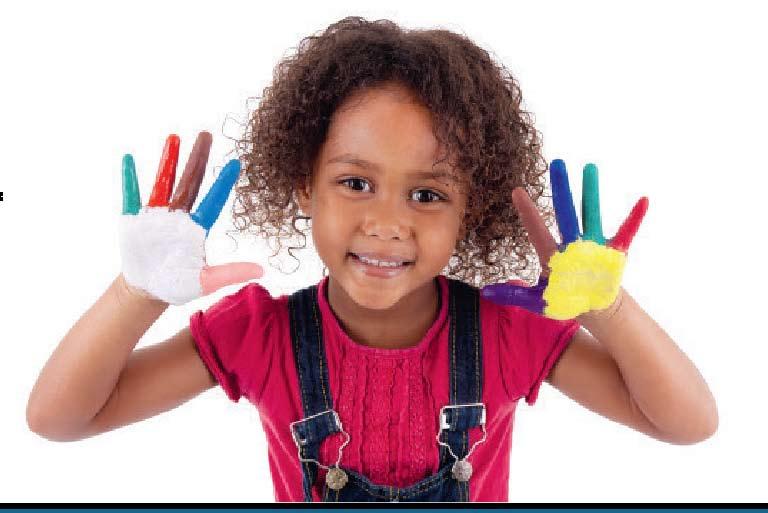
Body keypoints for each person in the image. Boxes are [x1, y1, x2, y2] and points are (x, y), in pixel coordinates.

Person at [26, 16, 718, 502]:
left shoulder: (507, 332)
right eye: (356, 182)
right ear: (305, 183)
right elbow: (60, 418)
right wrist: (136, 293)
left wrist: (609, 309)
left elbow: (687, 423)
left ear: (470, 210)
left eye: (427, 194)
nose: (387, 223)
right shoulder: (260, 336)